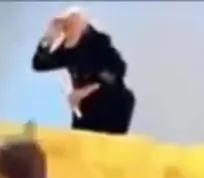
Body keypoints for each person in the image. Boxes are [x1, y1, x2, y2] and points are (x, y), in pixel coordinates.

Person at [31, 7, 136, 135]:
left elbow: (118, 70)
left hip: (112, 103)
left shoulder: (98, 41)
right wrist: (48, 38)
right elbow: (39, 64)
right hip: (86, 107)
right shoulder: (67, 49)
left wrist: (85, 91)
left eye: (72, 23)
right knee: (80, 138)